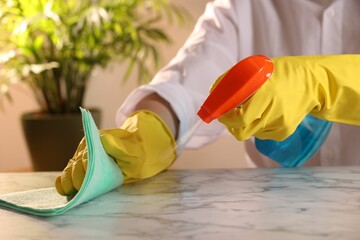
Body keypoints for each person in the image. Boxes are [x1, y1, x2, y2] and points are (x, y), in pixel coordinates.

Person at [55, 0, 360, 196]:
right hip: (274, 215)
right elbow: (190, 79)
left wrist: (325, 82)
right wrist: (147, 129)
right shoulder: (240, 6)